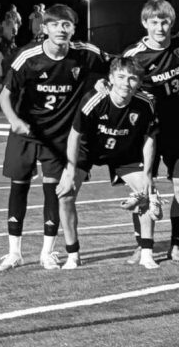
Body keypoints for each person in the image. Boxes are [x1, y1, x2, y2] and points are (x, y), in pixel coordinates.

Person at [0, 4, 108, 271]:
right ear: (44, 29)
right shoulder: (28, 56)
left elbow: (118, 63)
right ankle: (14, 253)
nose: (61, 29)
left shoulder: (87, 54)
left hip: (60, 134)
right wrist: (14, 122)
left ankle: (48, 252)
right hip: (27, 132)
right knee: (19, 186)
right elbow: (5, 94)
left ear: (73, 29)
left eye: (66, 24)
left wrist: (105, 81)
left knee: (53, 190)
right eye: (56, 24)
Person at [56, 57, 160, 270]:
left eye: (132, 79)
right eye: (121, 77)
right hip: (89, 150)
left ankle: (147, 253)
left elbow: (150, 138)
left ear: (139, 82)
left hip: (125, 152)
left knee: (146, 194)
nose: (126, 83)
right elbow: (75, 135)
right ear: (111, 78)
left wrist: (148, 175)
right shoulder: (94, 99)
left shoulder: (146, 102)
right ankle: (73, 255)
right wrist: (69, 171)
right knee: (65, 194)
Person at [122, 0, 179, 262]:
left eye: (165, 21)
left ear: (172, 22)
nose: (160, 27)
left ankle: (177, 244)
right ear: (145, 23)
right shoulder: (134, 55)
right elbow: (116, 82)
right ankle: (142, 244)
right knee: (144, 188)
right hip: (147, 132)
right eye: (154, 22)